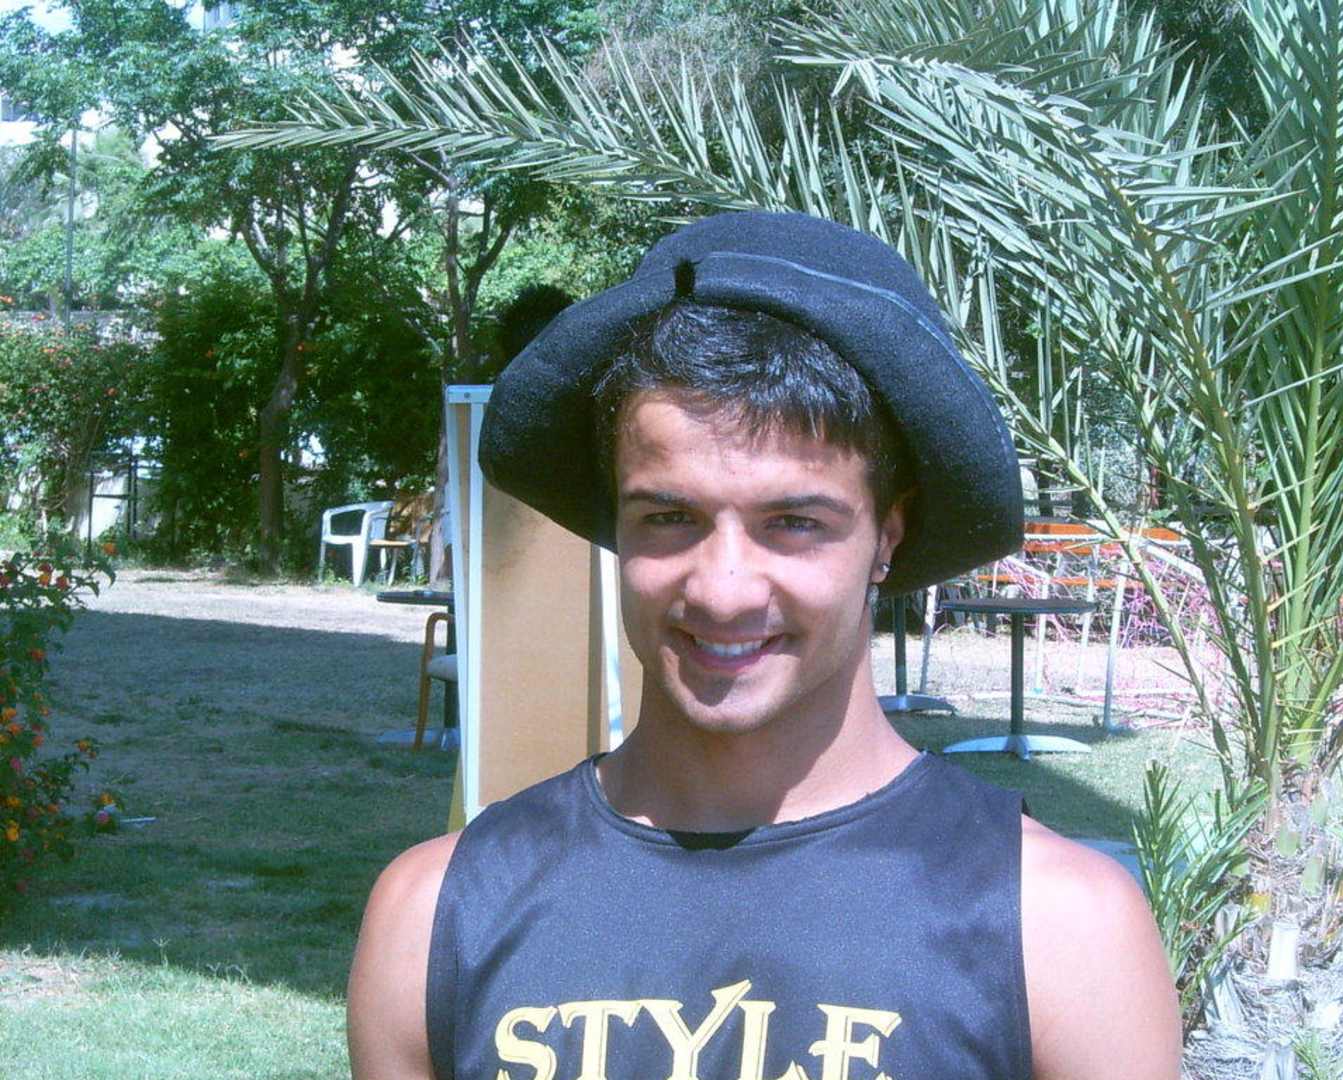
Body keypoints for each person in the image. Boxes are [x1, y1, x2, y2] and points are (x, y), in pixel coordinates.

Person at [348, 212, 1182, 1080]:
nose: (723, 590)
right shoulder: (438, 918)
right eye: (669, 517)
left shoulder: (1057, 934)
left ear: (887, 536)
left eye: (794, 522)